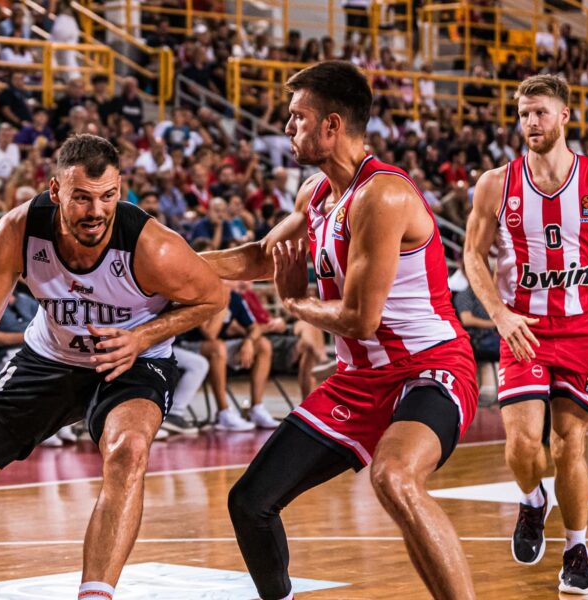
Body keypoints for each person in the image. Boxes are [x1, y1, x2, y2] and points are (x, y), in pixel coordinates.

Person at [0, 134, 227, 600]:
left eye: (108, 196)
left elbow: (213, 297)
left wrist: (140, 337)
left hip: (130, 361)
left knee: (128, 453)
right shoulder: (18, 232)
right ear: (55, 190)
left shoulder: (150, 245)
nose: (96, 211)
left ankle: (94, 596)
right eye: (82, 198)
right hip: (49, 358)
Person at [201, 61, 479, 600]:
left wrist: (296, 303)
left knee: (394, 477)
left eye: (297, 117)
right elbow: (260, 255)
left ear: (332, 125)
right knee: (250, 502)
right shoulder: (315, 194)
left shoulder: (383, 195)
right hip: (359, 380)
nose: (287, 127)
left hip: (430, 367)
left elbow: (360, 318)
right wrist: (164, 261)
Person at [463, 74, 588, 595]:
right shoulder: (496, 184)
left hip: (584, 328)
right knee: (521, 444)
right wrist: (499, 315)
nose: (530, 122)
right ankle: (532, 499)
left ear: (564, 115)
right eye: (523, 114)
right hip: (524, 328)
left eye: (540, 112)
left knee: (568, 445)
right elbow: (472, 255)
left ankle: (576, 549)